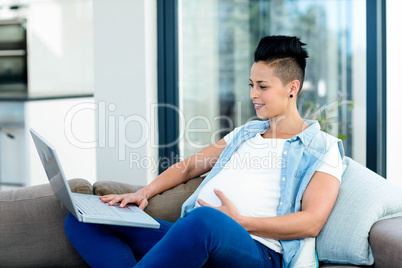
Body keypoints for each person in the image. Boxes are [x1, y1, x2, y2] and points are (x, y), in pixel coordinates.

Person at [65, 35, 344, 268]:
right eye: (251, 85)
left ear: (292, 88)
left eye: (262, 87)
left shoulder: (323, 148)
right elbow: (189, 167)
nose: (252, 95)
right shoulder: (245, 133)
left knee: (206, 220)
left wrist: (241, 222)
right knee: (82, 219)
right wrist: (143, 193)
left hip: (258, 250)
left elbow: (312, 222)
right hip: (193, 235)